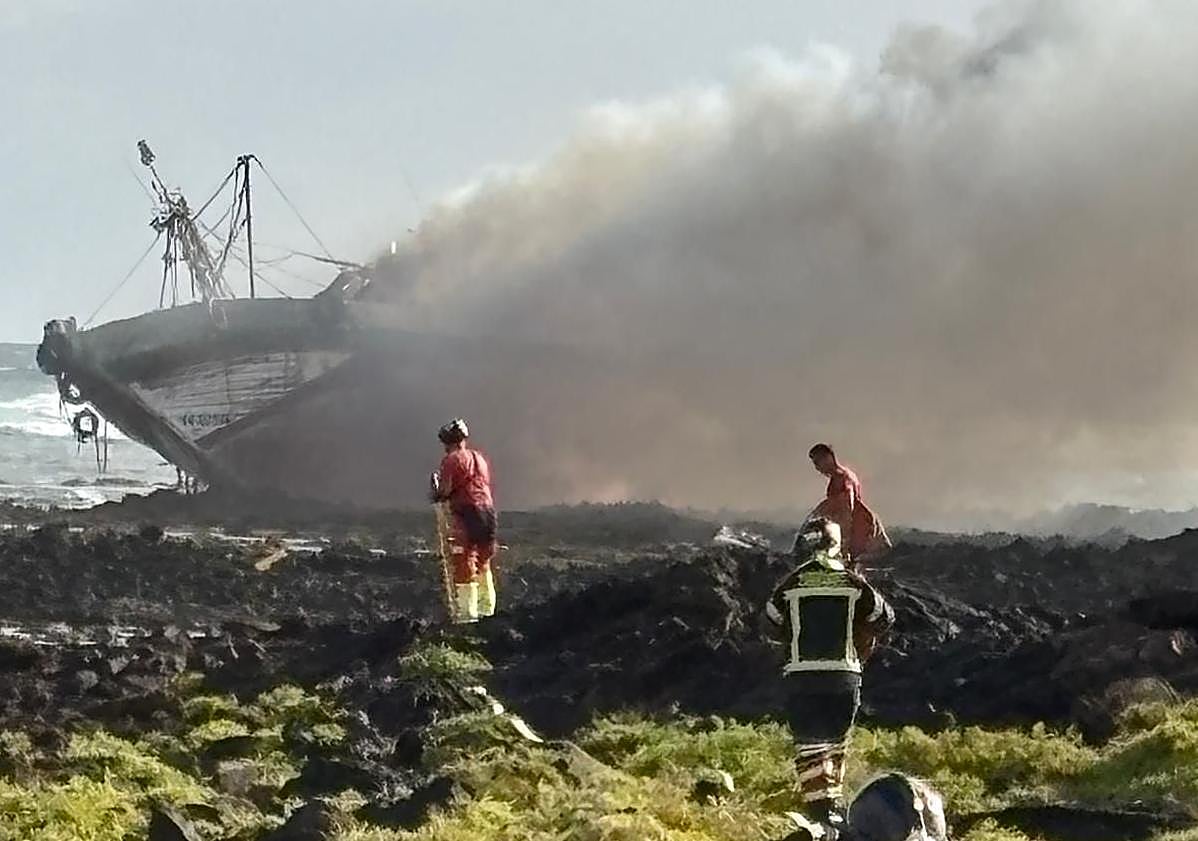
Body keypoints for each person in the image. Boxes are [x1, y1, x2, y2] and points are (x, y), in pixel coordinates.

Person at [765, 517, 895, 835]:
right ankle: (834, 820)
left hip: (802, 677)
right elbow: (884, 617)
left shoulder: (790, 584)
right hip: (844, 676)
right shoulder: (853, 583)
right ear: (837, 545)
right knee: (836, 746)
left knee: (810, 750)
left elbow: (769, 622)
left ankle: (822, 822)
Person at [429, 418, 498, 622]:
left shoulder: (452, 460)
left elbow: (445, 491)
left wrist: (435, 490)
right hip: (488, 511)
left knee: (464, 560)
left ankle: (467, 616)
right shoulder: (479, 458)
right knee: (484, 560)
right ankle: (488, 611)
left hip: (468, 511)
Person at [806, 443, 891, 564]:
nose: (817, 468)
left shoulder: (842, 478)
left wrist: (844, 546)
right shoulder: (842, 476)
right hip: (858, 526)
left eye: (817, 463)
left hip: (860, 528)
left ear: (828, 458)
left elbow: (847, 510)